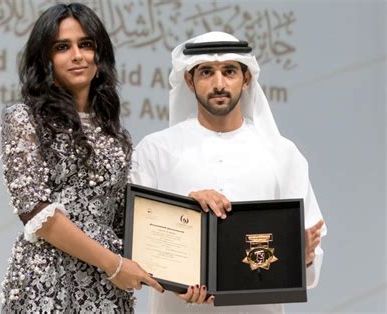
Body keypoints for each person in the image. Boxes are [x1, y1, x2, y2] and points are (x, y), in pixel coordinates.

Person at [130, 31, 326, 313]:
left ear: (246, 79)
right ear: (189, 80)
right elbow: (136, 249)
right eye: (207, 72)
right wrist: (185, 208)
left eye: (230, 72)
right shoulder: (155, 150)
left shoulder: (283, 154)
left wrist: (304, 256)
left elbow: (310, 269)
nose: (219, 84)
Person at [0, 3, 163, 312]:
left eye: (86, 44)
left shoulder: (116, 134)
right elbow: (37, 213)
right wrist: (114, 265)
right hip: (48, 281)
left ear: (100, 56)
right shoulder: (23, 118)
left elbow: (123, 222)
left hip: (106, 288)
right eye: (62, 47)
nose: (77, 55)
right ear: (45, 58)